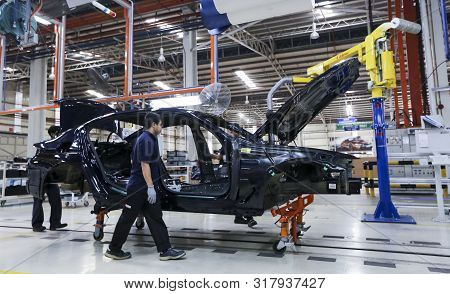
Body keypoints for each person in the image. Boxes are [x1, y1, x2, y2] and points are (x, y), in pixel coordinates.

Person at [105, 112, 186, 261]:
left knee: (155, 217)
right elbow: (144, 164)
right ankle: (114, 249)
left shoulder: (147, 138)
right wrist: (150, 186)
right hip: (139, 188)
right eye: (160, 124)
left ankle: (165, 250)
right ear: (153, 125)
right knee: (127, 218)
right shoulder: (147, 140)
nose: (161, 127)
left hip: (146, 187)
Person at [211, 130, 258, 228]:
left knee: (242, 193)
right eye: (231, 131)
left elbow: (249, 152)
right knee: (238, 194)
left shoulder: (242, 143)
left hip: (240, 170)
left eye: (234, 131)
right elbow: (220, 157)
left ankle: (243, 217)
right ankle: (246, 218)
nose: (232, 132)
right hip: (230, 171)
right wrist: (210, 155)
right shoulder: (227, 143)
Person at [32, 126, 67, 232]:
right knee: (38, 200)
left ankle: (55, 223)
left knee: (56, 200)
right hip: (40, 175)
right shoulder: (45, 144)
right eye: (58, 133)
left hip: (51, 176)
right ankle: (37, 225)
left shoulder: (58, 145)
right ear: (53, 133)